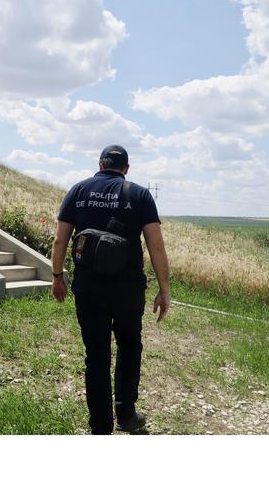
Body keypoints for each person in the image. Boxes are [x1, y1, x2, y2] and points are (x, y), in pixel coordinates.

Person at [50, 145, 171, 435]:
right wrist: (164, 289)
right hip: (128, 289)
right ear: (126, 169)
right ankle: (126, 415)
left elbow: (59, 240)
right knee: (129, 346)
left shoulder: (78, 191)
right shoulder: (139, 194)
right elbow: (156, 245)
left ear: (100, 164)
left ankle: (100, 427)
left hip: (89, 288)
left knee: (96, 354)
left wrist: (57, 276)